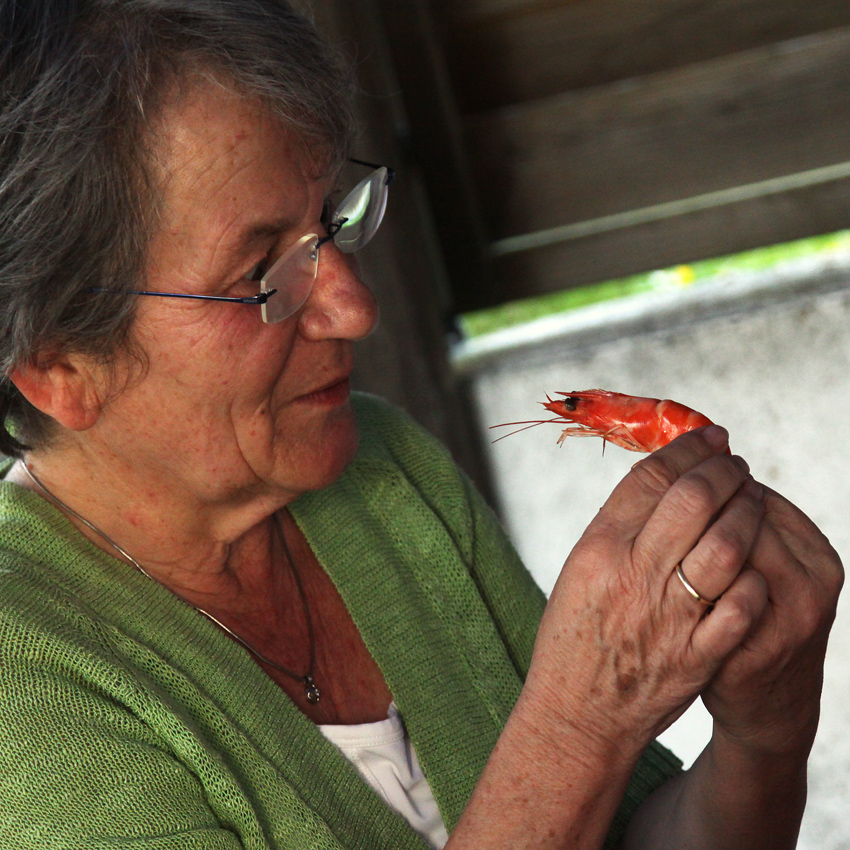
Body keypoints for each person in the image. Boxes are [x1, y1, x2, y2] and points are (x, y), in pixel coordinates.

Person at [0, 1, 842, 848]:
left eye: (332, 223)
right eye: (263, 273)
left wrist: (762, 737)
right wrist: (583, 721)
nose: (354, 307)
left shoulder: (386, 470)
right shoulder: (24, 693)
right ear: (57, 363)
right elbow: (577, 752)